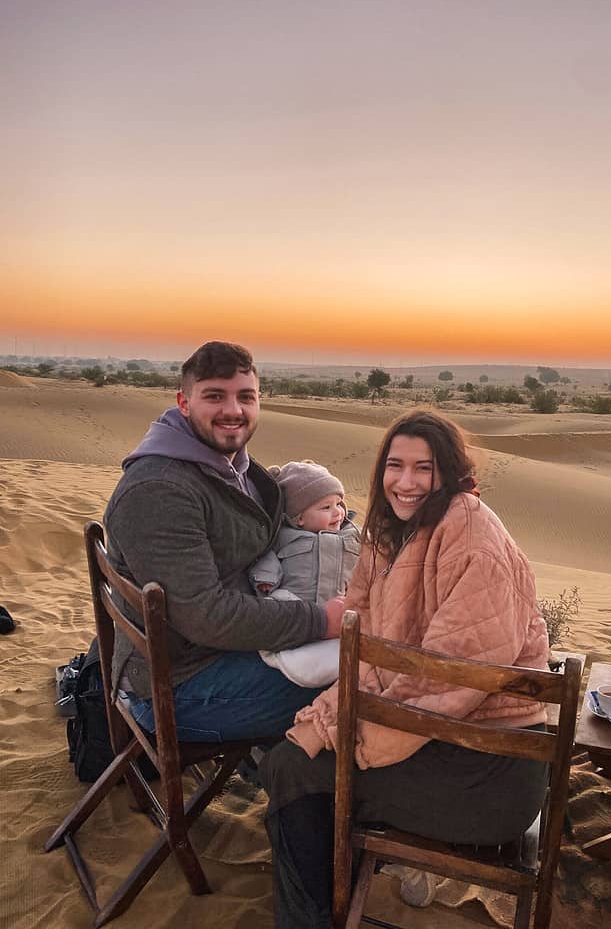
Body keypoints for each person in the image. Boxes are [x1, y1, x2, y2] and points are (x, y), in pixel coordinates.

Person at [259, 409, 551, 929]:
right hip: (434, 737)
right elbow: (368, 647)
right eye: (395, 466)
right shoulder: (392, 531)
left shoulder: (471, 537)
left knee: (292, 770)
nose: (406, 482)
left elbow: (450, 677)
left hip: (486, 770)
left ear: (451, 473)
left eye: (425, 468)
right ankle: (334, 898)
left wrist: (352, 740)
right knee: (293, 755)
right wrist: (331, 720)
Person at [103, 341, 345, 742]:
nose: (233, 410)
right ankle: (306, 791)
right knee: (365, 685)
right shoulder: (159, 490)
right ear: (183, 402)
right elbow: (206, 615)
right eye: (214, 396)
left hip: (211, 654)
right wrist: (322, 621)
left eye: (245, 397)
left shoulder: (228, 468)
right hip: (176, 690)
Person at [249, 460, 361, 688]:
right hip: (298, 609)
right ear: (299, 517)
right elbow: (266, 560)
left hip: (338, 612)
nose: (338, 512)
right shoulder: (284, 537)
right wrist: (265, 582)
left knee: (348, 651)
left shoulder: (352, 537)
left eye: (339, 503)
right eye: (326, 507)